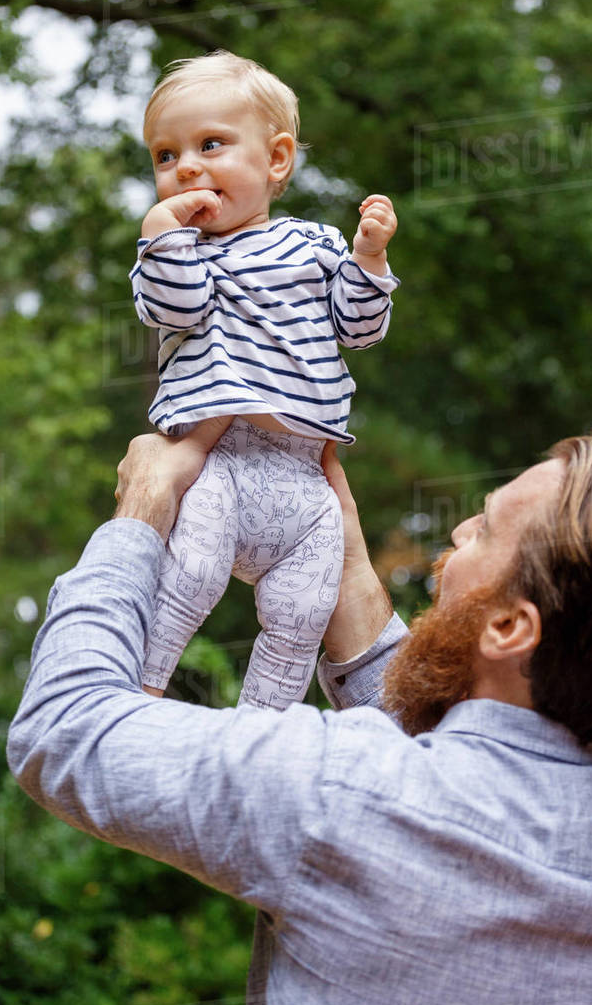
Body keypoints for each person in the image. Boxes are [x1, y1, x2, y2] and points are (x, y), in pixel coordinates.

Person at [7, 424, 592, 1005]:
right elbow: (454, 794)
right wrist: (342, 567)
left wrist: (141, 512)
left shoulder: (336, 792)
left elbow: (66, 726)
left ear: (509, 630)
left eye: (486, 531)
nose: (459, 531)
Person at [129, 49, 398, 708]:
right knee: (188, 574)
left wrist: (368, 256)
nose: (185, 166)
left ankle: (263, 731)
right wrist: (161, 232)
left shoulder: (315, 244)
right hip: (217, 462)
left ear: (276, 159)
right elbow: (178, 306)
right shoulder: (183, 256)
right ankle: (138, 692)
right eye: (166, 156)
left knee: (303, 613)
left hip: (305, 479)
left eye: (210, 144)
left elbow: (357, 327)